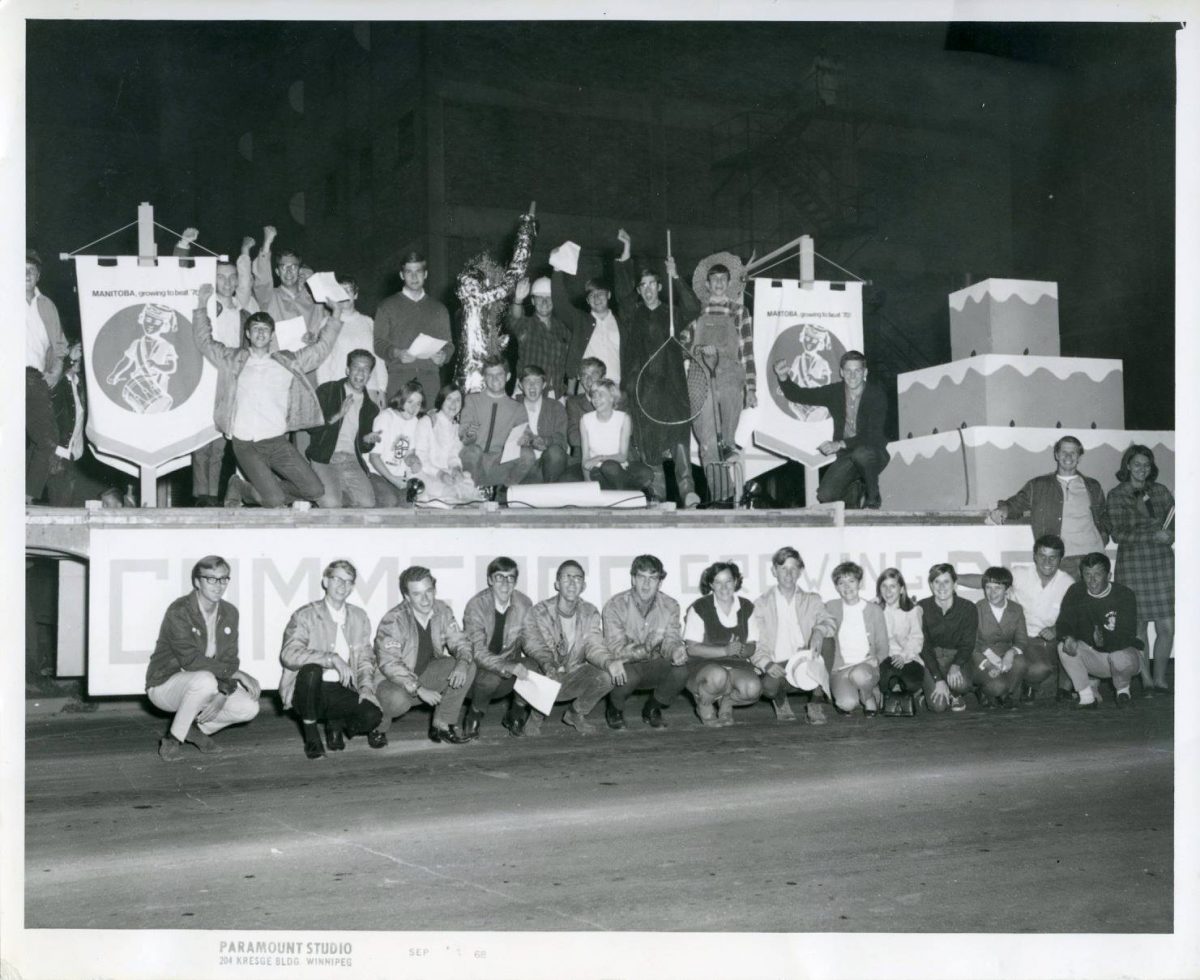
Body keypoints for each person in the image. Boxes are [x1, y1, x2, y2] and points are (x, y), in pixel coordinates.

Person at [193, 284, 341, 508]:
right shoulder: (233, 359)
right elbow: (205, 342)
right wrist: (201, 307)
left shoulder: (287, 361)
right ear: (248, 334)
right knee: (274, 501)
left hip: (276, 441)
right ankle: (241, 487)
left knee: (315, 490)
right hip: (246, 442)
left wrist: (335, 316)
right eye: (255, 329)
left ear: (272, 335)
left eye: (265, 329)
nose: (260, 333)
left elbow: (321, 349)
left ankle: (253, 488)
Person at [614, 229, 700, 507]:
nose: (649, 288)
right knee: (648, 441)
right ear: (639, 290)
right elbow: (622, 292)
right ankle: (658, 495)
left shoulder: (672, 313)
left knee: (679, 436)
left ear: (660, 287)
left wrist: (676, 275)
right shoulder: (632, 314)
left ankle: (687, 491)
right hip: (642, 388)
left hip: (672, 387)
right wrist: (626, 254)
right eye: (644, 285)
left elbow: (694, 307)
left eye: (653, 283)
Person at [145, 556, 261, 761]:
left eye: (224, 579)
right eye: (211, 579)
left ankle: (193, 727)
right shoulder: (179, 611)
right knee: (205, 680)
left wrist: (223, 693)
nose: (219, 585)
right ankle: (173, 740)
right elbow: (191, 660)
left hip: (208, 685)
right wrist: (236, 674)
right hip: (165, 685)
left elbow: (230, 659)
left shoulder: (230, 612)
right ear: (197, 582)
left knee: (249, 707)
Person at [279, 560, 381, 759]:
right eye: (337, 579)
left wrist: (366, 687)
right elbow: (288, 654)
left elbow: (365, 659)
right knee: (311, 671)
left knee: (372, 716)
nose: (343, 586)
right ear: (325, 581)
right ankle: (311, 737)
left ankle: (336, 723)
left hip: (341, 689)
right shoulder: (305, 615)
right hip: (308, 690)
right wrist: (331, 658)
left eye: (349, 582)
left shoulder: (359, 616)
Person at [369, 566, 477, 745]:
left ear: (434, 590)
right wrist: (419, 689)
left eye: (429, 591)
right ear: (407, 596)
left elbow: (460, 641)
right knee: (397, 701)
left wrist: (463, 662)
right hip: (391, 681)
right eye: (417, 594)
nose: (425, 599)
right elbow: (390, 664)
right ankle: (378, 728)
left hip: (424, 673)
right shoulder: (394, 619)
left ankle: (442, 725)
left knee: (468, 666)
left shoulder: (442, 609)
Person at [960, 535, 1074, 702]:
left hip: (1045, 643)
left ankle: (1028, 685)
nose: (1047, 562)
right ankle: (999, 686)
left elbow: (1074, 618)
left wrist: (1056, 630)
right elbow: (985, 580)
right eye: (1042, 556)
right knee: (1018, 668)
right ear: (1035, 556)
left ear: (1060, 559)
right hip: (1017, 638)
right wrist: (954, 578)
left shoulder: (1068, 583)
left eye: (1053, 557)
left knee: (1041, 669)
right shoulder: (1020, 574)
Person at [771, 350, 890, 509]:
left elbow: (872, 436)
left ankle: (873, 498)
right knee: (825, 495)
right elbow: (800, 395)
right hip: (847, 456)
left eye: (857, 371)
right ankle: (855, 486)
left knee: (861, 454)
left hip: (874, 453)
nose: (852, 375)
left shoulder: (876, 394)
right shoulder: (835, 392)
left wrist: (839, 444)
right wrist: (783, 378)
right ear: (841, 372)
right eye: (848, 371)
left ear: (865, 372)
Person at [189, 233, 257, 506]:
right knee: (201, 442)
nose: (227, 282)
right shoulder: (206, 306)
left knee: (220, 441)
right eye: (221, 277)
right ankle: (200, 495)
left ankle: (213, 496)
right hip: (205, 377)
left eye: (232, 277)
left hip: (230, 380)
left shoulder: (243, 313)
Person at [989, 435, 1110, 580]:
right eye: (1064, 452)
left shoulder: (1093, 486)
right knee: (1062, 601)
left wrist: (1103, 536)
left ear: (1079, 457)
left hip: (1093, 558)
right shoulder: (1038, 485)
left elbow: (1104, 515)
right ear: (1057, 455)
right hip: (1060, 558)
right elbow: (1016, 504)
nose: (1068, 456)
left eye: (1073, 453)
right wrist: (1003, 510)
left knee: (1094, 602)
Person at [686, 258, 757, 503]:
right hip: (701, 374)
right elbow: (684, 342)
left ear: (729, 283)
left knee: (725, 439)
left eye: (722, 279)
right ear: (707, 284)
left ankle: (729, 443)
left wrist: (751, 387)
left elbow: (747, 351)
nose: (718, 283)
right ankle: (722, 497)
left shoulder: (740, 312)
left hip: (728, 373)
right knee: (707, 441)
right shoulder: (697, 313)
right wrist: (694, 347)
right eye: (714, 279)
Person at [516, 560, 614, 735]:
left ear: (583, 586)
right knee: (538, 668)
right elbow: (532, 643)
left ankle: (575, 714)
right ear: (557, 584)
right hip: (545, 672)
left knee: (607, 676)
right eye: (567, 577)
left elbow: (595, 645)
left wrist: (608, 662)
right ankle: (535, 718)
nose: (572, 582)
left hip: (572, 674)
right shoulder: (539, 611)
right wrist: (548, 664)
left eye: (577, 578)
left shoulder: (590, 611)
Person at [1106, 445, 1174, 693]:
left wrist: (1172, 534)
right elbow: (1117, 532)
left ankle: (1160, 679)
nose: (1142, 469)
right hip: (1133, 563)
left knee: (1167, 626)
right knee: (1139, 627)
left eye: (1146, 465)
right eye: (1137, 464)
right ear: (1127, 466)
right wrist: (1152, 534)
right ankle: (1145, 679)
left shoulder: (1161, 491)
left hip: (1162, 563)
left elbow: (1177, 520)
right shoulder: (1116, 495)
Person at [601, 555, 691, 729]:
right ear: (633, 579)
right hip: (628, 666)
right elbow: (615, 650)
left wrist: (675, 651)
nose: (646, 584)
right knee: (625, 676)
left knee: (681, 671)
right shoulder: (614, 605)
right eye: (641, 577)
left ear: (660, 582)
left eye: (653, 578)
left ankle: (652, 709)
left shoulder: (671, 605)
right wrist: (647, 647)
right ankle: (615, 708)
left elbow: (672, 639)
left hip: (654, 665)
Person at [751, 546, 836, 724]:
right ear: (774, 571)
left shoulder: (813, 600)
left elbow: (830, 622)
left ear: (800, 571)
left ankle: (815, 701)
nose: (788, 574)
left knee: (827, 641)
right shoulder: (761, 604)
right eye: (783, 568)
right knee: (768, 686)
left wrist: (819, 631)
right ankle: (780, 700)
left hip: (806, 660)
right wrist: (766, 663)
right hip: (779, 665)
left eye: (793, 568)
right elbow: (755, 641)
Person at [1056, 552, 1141, 708]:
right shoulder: (1075, 591)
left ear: (1109, 575)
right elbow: (1063, 622)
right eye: (1087, 574)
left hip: (1125, 656)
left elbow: (1127, 635)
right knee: (1064, 647)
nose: (1092, 580)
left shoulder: (1124, 594)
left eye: (1097, 574)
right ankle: (1087, 698)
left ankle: (1123, 692)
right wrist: (1068, 636)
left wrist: (1104, 641)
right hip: (1096, 658)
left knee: (1118, 655)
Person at [461, 557, 533, 738]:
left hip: (509, 666)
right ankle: (474, 716)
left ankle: (516, 714)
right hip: (480, 672)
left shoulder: (524, 603)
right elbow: (477, 651)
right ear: (490, 580)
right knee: (490, 678)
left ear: (515, 582)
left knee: (535, 666)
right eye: (499, 577)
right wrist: (506, 666)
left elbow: (532, 641)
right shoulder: (476, 605)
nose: (505, 583)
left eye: (510, 578)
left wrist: (547, 661)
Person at [683, 561, 760, 727]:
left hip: (736, 666)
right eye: (718, 582)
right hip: (703, 667)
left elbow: (752, 646)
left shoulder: (747, 607)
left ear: (736, 582)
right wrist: (725, 650)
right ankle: (704, 704)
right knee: (718, 676)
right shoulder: (699, 607)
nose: (724, 587)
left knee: (753, 689)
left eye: (728, 581)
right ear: (711, 584)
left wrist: (742, 650)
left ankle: (727, 701)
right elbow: (692, 648)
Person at [374, 250, 454, 402]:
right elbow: (378, 344)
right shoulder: (386, 307)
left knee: (429, 423)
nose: (414, 276)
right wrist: (396, 353)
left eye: (418, 271)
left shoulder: (439, 309)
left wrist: (443, 355)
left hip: (430, 379)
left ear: (425, 274)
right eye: (409, 272)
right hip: (399, 378)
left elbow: (449, 345)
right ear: (401, 275)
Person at [306, 349, 380, 508]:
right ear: (348, 370)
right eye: (356, 367)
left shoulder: (371, 408)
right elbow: (311, 427)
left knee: (367, 504)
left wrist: (368, 440)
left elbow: (363, 447)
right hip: (324, 457)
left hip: (351, 460)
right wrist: (338, 415)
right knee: (331, 504)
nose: (360, 372)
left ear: (370, 375)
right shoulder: (328, 390)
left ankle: (334, 490)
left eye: (365, 369)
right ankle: (329, 493)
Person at [26, 249, 69, 504]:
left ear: (38, 275)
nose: (26, 275)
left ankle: (27, 498)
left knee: (47, 439)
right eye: (20, 270)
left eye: (31, 270)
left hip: (34, 378)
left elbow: (59, 343)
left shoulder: (47, 305)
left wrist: (57, 369)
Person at [458, 357, 538, 490]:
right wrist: (471, 432)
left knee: (528, 455)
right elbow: (464, 438)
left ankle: (505, 491)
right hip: (474, 462)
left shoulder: (517, 408)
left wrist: (526, 439)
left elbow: (527, 434)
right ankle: (469, 493)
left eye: (499, 374)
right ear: (484, 377)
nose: (494, 379)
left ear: (508, 376)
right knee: (473, 451)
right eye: (489, 375)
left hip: (499, 463)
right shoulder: (472, 400)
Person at [824, 562, 888, 716]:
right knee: (846, 704)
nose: (847, 587)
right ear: (836, 587)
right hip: (840, 668)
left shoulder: (875, 610)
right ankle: (854, 692)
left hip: (866, 666)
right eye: (841, 583)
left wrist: (877, 659)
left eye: (851, 581)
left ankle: (868, 695)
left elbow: (884, 646)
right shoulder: (830, 607)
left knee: (859, 675)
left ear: (860, 583)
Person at [314, 275, 388, 408]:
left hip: (369, 387)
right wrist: (324, 392)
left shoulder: (368, 322)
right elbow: (323, 361)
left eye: (348, 290)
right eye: (340, 291)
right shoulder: (327, 323)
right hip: (339, 388)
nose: (344, 295)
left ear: (355, 294)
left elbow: (379, 358)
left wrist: (382, 389)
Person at [552, 257, 624, 388]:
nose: (596, 298)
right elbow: (560, 303)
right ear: (587, 301)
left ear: (609, 295)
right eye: (592, 295)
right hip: (587, 386)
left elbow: (627, 294)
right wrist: (557, 269)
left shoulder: (621, 322)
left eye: (600, 293)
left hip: (615, 385)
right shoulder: (580, 320)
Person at [918, 563, 978, 713]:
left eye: (946, 582)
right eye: (936, 582)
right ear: (931, 585)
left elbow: (968, 643)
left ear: (955, 584)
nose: (941, 587)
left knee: (961, 684)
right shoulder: (921, 607)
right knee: (938, 707)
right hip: (931, 658)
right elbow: (923, 647)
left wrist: (956, 665)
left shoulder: (968, 608)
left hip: (956, 657)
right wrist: (938, 679)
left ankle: (955, 694)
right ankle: (929, 691)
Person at [580, 379, 655, 494]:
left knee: (647, 473)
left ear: (612, 397)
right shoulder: (585, 419)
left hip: (622, 468)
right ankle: (628, 494)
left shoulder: (624, 418)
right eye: (593, 395)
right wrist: (587, 483)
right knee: (609, 467)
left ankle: (619, 492)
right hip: (598, 472)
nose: (596, 399)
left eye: (601, 394)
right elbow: (585, 459)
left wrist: (600, 458)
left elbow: (622, 456)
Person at [970, 567, 1029, 708]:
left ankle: (1006, 695)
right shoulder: (976, 609)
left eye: (997, 588)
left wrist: (1010, 653)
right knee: (997, 687)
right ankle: (985, 690)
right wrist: (989, 663)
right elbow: (972, 644)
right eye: (988, 587)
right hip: (981, 657)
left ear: (1007, 589)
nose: (992, 593)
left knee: (1021, 663)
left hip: (1004, 655)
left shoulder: (1017, 609)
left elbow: (1022, 640)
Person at [507, 276, 572, 398]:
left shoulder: (563, 328)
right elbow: (515, 319)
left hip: (555, 392)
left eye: (548, 298)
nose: (544, 302)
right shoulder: (525, 325)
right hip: (526, 392)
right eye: (539, 298)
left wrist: (570, 392)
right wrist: (518, 300)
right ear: (532, 301)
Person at [250, 225, 323, 333]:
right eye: (283, 267)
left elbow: (318, 326)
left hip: (307, 350)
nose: (289, 271)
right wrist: (267, 244)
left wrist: (313, 335)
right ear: (277, 272)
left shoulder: (312, 299)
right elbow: (262, 280)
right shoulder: (269, 296)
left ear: (299, 270)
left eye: (293, 266)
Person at [367, 381, 428, 507]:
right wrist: (393, 479)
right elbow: (373, 457)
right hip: (376, 473)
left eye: (418, 404)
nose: (413, 408)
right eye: (410, 402)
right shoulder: (386, 418)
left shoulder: (414, 421)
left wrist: (414, 461)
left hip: (398, 476)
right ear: (401, 399)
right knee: (389, 501)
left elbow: (408, 454)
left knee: (408, 504)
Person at [419, 383, 481, 504]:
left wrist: (456, 469)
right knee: (453, 495)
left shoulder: (455, 427)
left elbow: (453, 455)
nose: (453, 404)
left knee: (472, 496)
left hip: (447, 475)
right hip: (427, 474)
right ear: (441, 400)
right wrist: (440, 474)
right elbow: (421, 458)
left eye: (458, 400)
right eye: (449, 399)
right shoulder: (427, 422)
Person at [874, 568, 926, 713]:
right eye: (884, 586)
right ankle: (888, 692)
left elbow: (917, 638)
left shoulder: (913, 610)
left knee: (910, 683)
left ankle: (907, 692)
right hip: (886, 658)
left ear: (901, 589)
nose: (888, 591)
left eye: (893, 586)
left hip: (909, 658)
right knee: (885, 679)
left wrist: (903, 656)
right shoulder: (876, 610)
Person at [517, 364, 569, 483]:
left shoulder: (556, 407)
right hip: (522, 463)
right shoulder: (512, 406)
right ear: (520, 385)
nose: (532, 385)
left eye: (537, 381)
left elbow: (562, 440)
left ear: (544, 385)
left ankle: (549, 496)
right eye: (527, 381)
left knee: (556, 453)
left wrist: (545, 441)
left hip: (548, 465)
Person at [565, 357, 607, 477]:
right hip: (583, 457)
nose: (589, 380)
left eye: (594, 374)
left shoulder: (617, 399)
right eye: (584, 375)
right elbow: (573, 437)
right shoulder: (573, 402)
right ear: (580, 379)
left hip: (612, 456)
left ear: (603, 378)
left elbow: (625, 433)